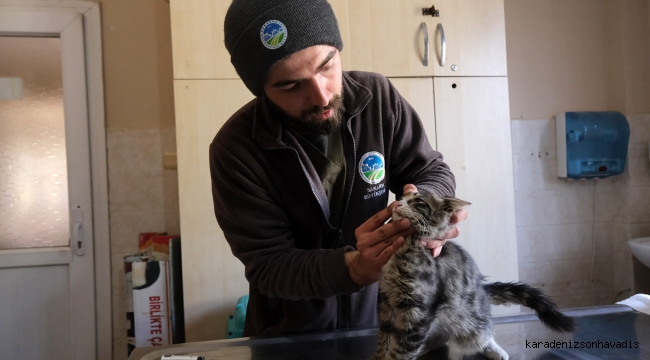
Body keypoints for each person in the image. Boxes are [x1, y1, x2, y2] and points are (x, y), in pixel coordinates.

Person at [210, 0, 467, 337]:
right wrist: (356, 268)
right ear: (261, 89)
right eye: (291, 85)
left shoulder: (378, 98)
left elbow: (430, 169)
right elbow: (270, 265)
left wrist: (427, 207)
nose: (320, 95)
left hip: (386, 322)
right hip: (290, 338)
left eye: (327, 66)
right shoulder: (236, 149)